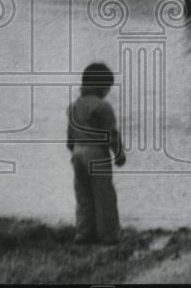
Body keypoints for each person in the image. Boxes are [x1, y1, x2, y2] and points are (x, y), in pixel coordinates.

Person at [67, 62, 126, 245]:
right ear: (102, 87)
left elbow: (70, 135)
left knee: (83, 195)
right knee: (104, 195)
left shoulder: (74, 106)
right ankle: (109, 235)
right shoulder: (103, 107)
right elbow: (110, 134)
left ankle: (84, 233)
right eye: (108, 87)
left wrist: (74, 151)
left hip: (78, 151)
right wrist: (118, 153)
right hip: (96, 152)